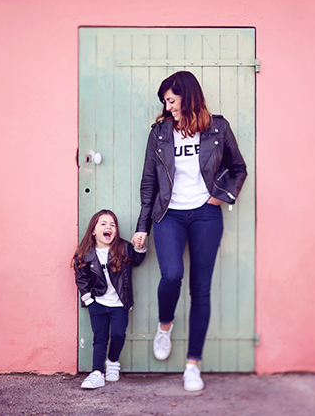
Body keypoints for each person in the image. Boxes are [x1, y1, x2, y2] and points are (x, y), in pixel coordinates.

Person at [131, 70, 247, 391]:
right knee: (171, 275)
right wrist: (143, 226)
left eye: (171, 99)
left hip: (206, 215)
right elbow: (150, 182)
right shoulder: (160, 133)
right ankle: (164, 325)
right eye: (165, 102)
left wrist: (221, 195)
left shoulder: (217, 128)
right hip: (169, 214)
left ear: (187, 95)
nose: (168, 107)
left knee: (201, 289)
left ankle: (192, 365)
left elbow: (239, 168)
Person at [72, 209, 147, 389]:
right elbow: (81, 278)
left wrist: (139, 246)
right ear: (93, 230)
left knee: (118, 335)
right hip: (97, 302)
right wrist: (89, 301)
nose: (109, 227)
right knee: (100, 337)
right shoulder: (85, 254)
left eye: (112, 225)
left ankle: (112, 362)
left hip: (119, 303)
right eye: (103, 224)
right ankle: (97, 372)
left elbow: (137, 259)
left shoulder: (123, 247)